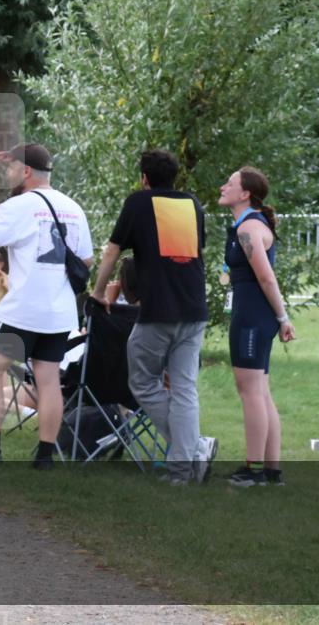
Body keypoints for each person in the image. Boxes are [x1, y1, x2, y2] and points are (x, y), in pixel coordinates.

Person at [0, 143, 94, 469]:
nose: (8, 174)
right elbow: (85, 259)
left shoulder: (19, 205)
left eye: (10, 167)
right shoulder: (73, 207)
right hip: (60, 312)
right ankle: (44, 457)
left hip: (22, 309)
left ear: (26, 171)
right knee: (47, 378)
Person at [89, 149, 217, 485]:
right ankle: (184, 466)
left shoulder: (139, 202)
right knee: (185, 389)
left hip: (159, 311)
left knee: (143, 383)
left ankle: (189, 453)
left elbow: (113, 250)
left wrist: (100, 292)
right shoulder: (192, 205)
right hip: (194, 309)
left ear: (145, 178)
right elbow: (185, 255)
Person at [218, 167, 295, 486]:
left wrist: (283, 318)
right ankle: (271, 470)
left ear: (245, 193)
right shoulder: (245, 225)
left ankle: (252, 469)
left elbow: (266, 277)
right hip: (254, 315)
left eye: (230, 183)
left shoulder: (248, 228)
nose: (223, 187)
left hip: (252, 317)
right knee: (260, 391)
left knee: (250, 391)